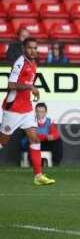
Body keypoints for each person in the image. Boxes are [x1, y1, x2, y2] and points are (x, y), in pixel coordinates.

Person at [0, 37, 56, 186]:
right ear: (24, 49)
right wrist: (30, 88)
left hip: (26, 109)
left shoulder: (34, 64)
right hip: (13, 109)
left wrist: (32, 91)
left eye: (35, 48)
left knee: (35, 139)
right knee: (2, 142)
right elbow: (11, 84)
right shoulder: (20, 62)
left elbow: (26, 84)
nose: (33, 50)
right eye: (30, 48)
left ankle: (38, 176)